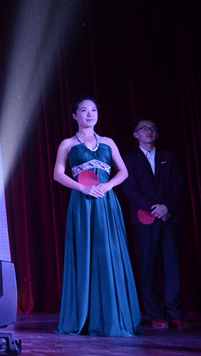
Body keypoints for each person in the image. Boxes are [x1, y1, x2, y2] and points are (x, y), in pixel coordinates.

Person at [53, 95, 141, 337]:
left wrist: (108, 185)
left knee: (109, 254)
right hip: (82, 203)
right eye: (83, 110)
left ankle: (113, 317)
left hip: (106, 202)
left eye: (93, 110)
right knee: (85, 254)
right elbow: (58, 174)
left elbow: (123, 171)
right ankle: (85, 316)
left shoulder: (108, 142)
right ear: (74, 115)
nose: (89, 114)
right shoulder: (67, 143)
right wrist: (83, 188)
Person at [121, 116, 186, 329]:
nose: (149, 131)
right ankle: (155, 313)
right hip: (144, 219)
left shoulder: (169, 158)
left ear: (157, 134)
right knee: (148, 266)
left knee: (172, 265)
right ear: (135, 134)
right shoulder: (129, 160)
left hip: (169, 218)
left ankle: (175, 312)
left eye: (152, 128)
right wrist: (153, 208)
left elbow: (179, 186)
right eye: (144, 128)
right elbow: (129, 189)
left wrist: (166, 207)